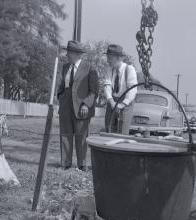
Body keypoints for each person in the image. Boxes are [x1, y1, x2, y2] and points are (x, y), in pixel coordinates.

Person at [57, 40, 99, 171]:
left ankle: (82, 164)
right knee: (65, 133)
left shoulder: (89, 67)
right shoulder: (65, 67)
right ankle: (65, 163)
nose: (67, 55)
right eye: (67, 52)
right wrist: (60, 96)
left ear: (77, 54)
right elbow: (63, 85)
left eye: (69, 52)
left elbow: (94, 90)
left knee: (81, 136)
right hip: (65, 105)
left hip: (82, 107)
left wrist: (86, 104)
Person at [103, 44, 138, 135]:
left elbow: (132, 89)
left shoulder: (129, 69)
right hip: (112, 102)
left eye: (110, 58)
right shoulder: (109, 70)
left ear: (118, 58)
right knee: (109, 128)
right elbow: (107, 86)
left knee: (122, 132)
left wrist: (122, 104)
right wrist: (111, 101)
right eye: (107, 57)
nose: (107, 60)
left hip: (125, 103)